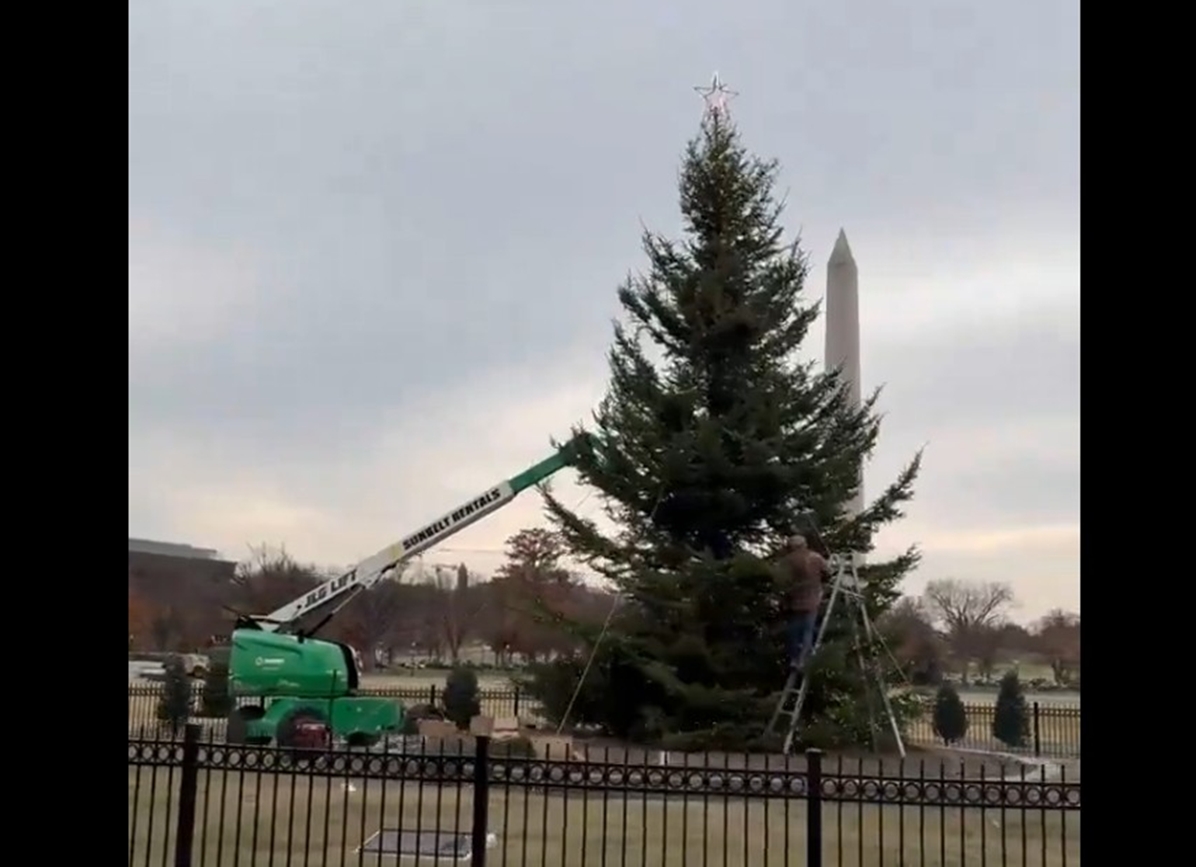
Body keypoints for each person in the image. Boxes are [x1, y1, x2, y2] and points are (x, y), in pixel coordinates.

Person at [779, 534, 830, 670]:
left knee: (794, 632)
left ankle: (794, 659)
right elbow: (828, 572)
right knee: (807, 631)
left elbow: (781, 580)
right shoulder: (815, 557)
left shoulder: (786, 561)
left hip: (793, 602)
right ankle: (802, 660)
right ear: (804, 545)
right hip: (812, 599)